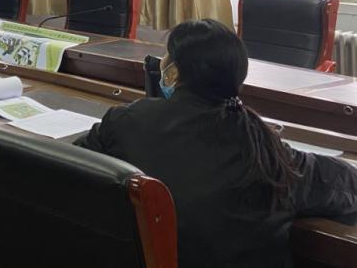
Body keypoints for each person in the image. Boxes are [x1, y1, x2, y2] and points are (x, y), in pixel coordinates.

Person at [75, 19, 357, 268]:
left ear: (174, 72)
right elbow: (343, 184)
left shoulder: (126, 121)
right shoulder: (262, 148)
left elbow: (71, 163)